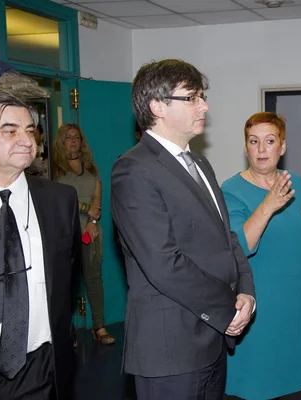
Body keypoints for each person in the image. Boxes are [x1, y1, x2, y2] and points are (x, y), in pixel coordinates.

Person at [111, 59, 256, 400]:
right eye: (191, 98)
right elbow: (163, 264)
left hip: (211, 338)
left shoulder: (200, 163)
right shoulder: (133, 169)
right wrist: (226, 310)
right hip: (170, 347)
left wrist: (247, 292)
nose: (204, 106)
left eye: (202, 96)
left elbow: (227, 237)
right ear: (157, 106)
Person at [0, 90, 80, 399]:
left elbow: (70, 276)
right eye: (10, 131)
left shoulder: (60, 201)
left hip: (40, 367)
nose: (26, 140)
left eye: (29, 130)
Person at [222, 112, 301, 399]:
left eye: (269, 141)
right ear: (245, 147)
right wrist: (268, 205)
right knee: (257, 386)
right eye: (253, 141)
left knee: (295, 387)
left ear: (282, 147)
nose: (260, 149)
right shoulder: (231, 190)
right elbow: (239, 247)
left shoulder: (297, 183)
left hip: (295, 304)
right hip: (256, 305)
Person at [52, 123, 115, 345]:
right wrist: (88, 210)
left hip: (91, 230)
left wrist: (93, 219)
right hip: (65, 230)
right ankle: (67, 332)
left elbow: (98, 194)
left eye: (77, 137)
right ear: (61, 141)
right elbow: (61, 199)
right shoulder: (55, 169)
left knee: (94, 280)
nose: (73, 141)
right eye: (68, 138)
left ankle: (99, 326)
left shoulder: (90, 167)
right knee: (67, 282)